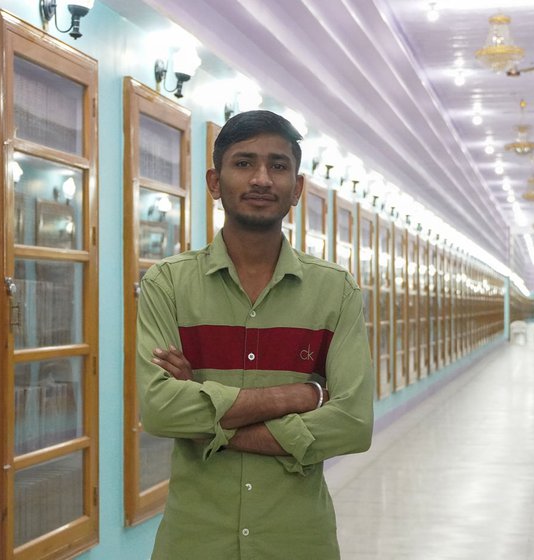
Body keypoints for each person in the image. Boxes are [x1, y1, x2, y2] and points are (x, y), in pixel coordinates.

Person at [136, 109, 374, 559]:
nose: (262, 178)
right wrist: (300, 396)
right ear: (214, 182)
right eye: (244, 163)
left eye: (278, 165)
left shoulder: (334, 291)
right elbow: (161, 411)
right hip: (195, 543)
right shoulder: (168, 284)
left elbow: (353, 424)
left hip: (297, 542)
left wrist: (207, 424)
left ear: (297, 188)